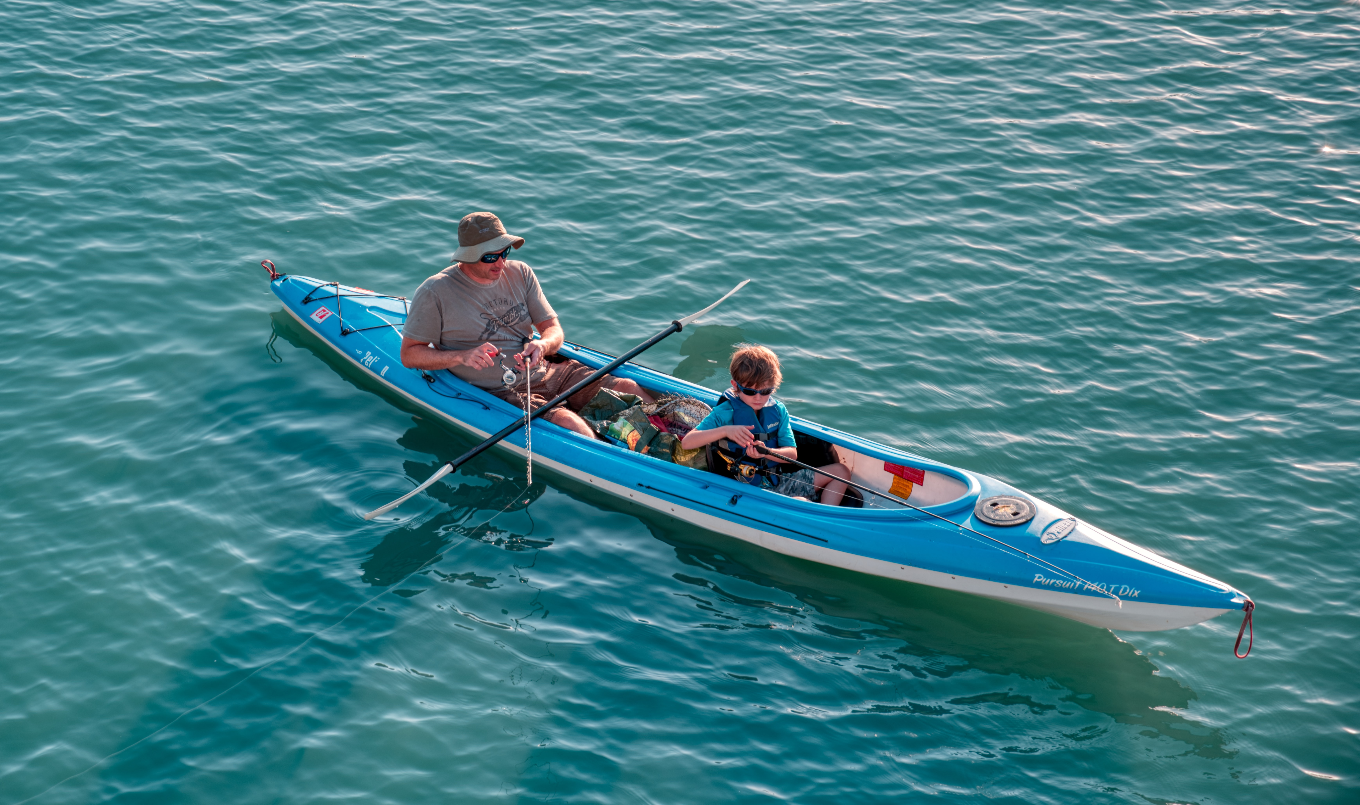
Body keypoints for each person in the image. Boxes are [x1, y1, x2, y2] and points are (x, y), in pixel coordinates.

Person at [399, 212, 652, 439]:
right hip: (503, 390)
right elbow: (410, 354)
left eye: (504, 253)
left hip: (548, 370)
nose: (500, 263)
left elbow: (553, 330)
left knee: (630, 389)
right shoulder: (435, 291)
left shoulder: (521, 272)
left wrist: (542, 345)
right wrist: (462, 357)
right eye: (489, 257)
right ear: (468, 256)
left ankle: (682, 439)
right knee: (573, 426)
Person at [680, 345, 850, 506]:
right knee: (800, 502)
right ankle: (811, 515)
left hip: (779, 480)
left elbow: (792, 454)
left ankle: (823, 513)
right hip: (749, 491)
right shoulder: (724, 413)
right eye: (750, 391)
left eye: (766, 391)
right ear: (735, 386)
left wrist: (767, 453)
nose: (758, 398)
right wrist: (726, 430)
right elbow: (688, 442)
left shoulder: (778, 410)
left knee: (841, 471)